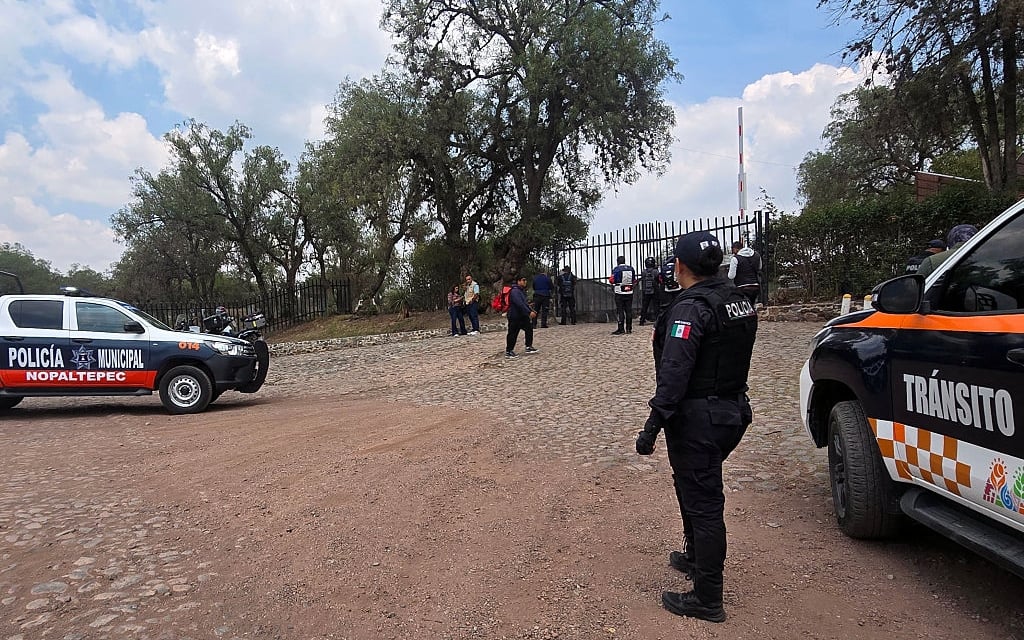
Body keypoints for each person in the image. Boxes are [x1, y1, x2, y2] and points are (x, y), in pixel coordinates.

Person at [635, 230, 758, 623]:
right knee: (690, 484)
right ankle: (694, 557)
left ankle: (707, 597)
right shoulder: (737, 300)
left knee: (704, 503)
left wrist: (652, 426)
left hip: (698, 418)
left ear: (680, 266)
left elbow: (675, 372)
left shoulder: (691, 308)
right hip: (731, 411)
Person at [505, 275, 539, 358]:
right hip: (515, 316)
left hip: (522, 316)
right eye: (523, 280)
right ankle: (509, 351)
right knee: (513, 333)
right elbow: (519, 304)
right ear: (518, 281)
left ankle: (528, 346)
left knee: (529, 328)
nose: (525, 282)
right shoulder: (515, 291)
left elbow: (524, 303)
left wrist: (530, 310)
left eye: (525, 280)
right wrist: (528, 312)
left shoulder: (521, 291)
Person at [727, 240, 762, 306]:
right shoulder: (757, 255)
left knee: (744, 309)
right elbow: (759, 267)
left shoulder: (735, 259)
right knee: (752, 307)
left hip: (742, 288)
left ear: (735, 249)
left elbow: (731, 276)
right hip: (755, 286)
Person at [608, 255, 636, 334]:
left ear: (618, 262)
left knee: (620, 310)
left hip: (619, 292)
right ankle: (629, 328)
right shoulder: (631, 268)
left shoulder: (616, 269)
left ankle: (621, 329)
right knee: (628, 310)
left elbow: (612, 280)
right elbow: (634, 280)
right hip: (629, 292)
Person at [639, 257, 661, 327]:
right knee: (656, 306)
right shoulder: (655, 271)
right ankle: (658, 320)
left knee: (644, 306)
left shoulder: (643, 271)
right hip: (654, 290)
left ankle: (642, 321)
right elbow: (658, 280)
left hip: (646, 291)